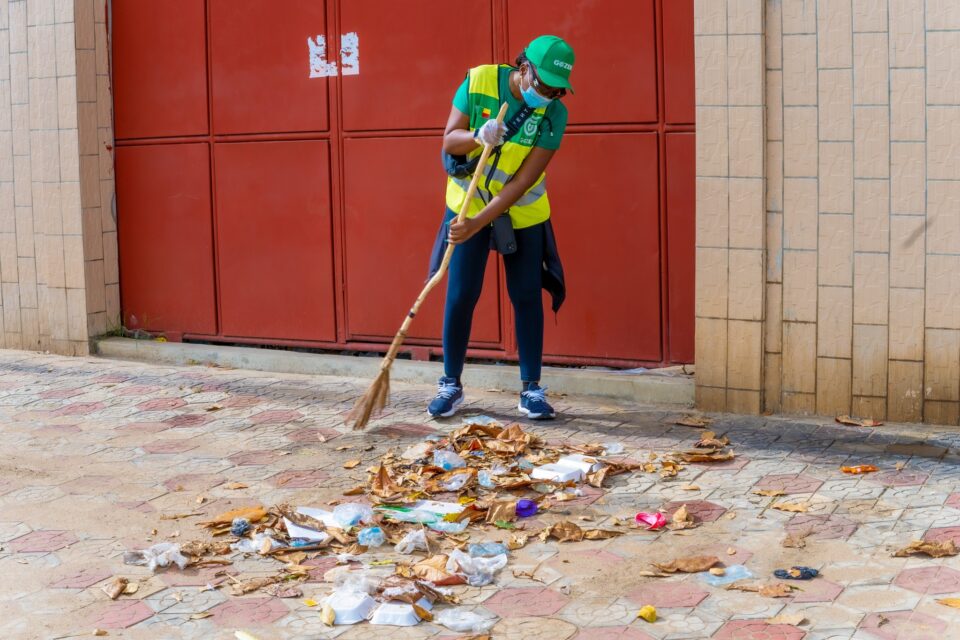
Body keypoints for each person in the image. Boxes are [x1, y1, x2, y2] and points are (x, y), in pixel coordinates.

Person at [426, 35, 574, 420]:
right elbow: (448, 141)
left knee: (526, 295)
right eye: (544, 87)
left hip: (521, 212)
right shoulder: (478, 82)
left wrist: (480, 223)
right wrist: (478, 136)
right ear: (524, 70)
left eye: (559, 91)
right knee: (461, 294)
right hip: (466, 204)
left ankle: (531, 389)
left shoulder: (554, 113)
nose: (550, 96)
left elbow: (522, 181)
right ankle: (450, 383)